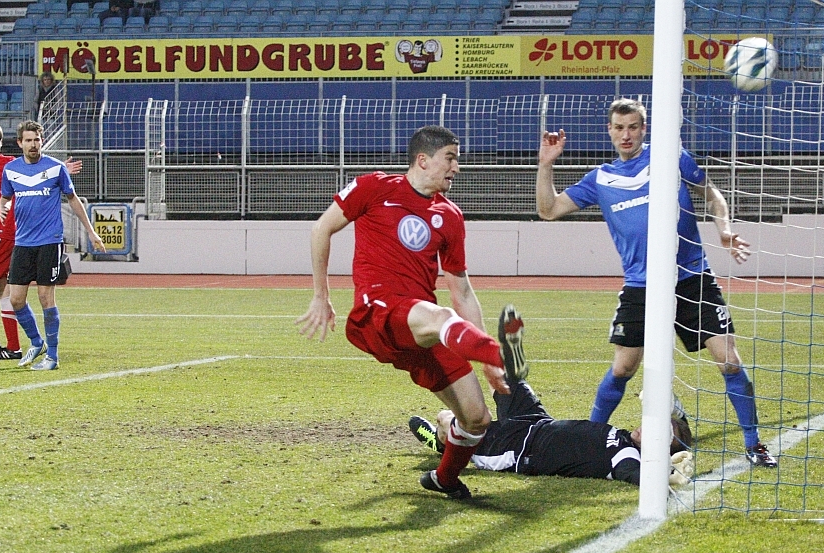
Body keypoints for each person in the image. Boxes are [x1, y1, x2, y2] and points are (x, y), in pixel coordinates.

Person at [535, 97, 777, 468]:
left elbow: (712, 194)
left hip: (691, 276)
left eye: (633, 127)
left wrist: (724, 229)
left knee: (729, 361)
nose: (626, 134)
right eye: (619, 128)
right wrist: (546, 164)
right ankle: (589, 443)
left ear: (643, 129)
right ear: (609, 131)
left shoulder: (671, 157)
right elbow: (548, 210)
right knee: (623, 369)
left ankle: (754, 444)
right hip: (641, 284)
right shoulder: (601, 179)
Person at [296, 125, 508, 500]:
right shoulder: (374, 188)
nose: (456, 167)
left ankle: (444, 479)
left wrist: (484, 361)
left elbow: (461, 290)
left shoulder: (450, 216)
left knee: (477, 418)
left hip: (418, 329)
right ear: (423, 160)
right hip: (377, 313)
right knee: (441, 317)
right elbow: (321, 229)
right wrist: (320, 295)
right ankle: (500, 353)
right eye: (450, 158)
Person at [409, 305, 695, 487]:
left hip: (517, 450)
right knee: (504, 373)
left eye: (658, 435)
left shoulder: (625, 456)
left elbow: (638, 477)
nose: (648, 428)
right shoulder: (622, 438)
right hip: (536, 421)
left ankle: (443, 442)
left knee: (448, 418)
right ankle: (507, 359)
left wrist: (668, 473)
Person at [0, 121, 106, 370]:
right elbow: (5, 197)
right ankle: (37, 342)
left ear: (42, 141)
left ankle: (53, 357)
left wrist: (91, 232)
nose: (33, 144)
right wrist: (4, 206)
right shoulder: (11, 170)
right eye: (28, 140)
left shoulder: (56, 168)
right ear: (20, 143)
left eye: (36, 140)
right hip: (23, 242)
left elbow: (73, 199)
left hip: (50, 241)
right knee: (15, 299)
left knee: (45, 297)